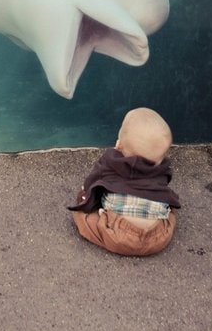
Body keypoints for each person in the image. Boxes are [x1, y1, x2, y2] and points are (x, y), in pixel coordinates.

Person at [68, 107, 180, 256]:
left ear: (119, 145)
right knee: (170, 212)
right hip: (157, 236)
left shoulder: (111, 161)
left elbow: (93, 183)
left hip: (119, 234)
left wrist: (84, 196)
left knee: (82, 216)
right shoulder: (163, 169)